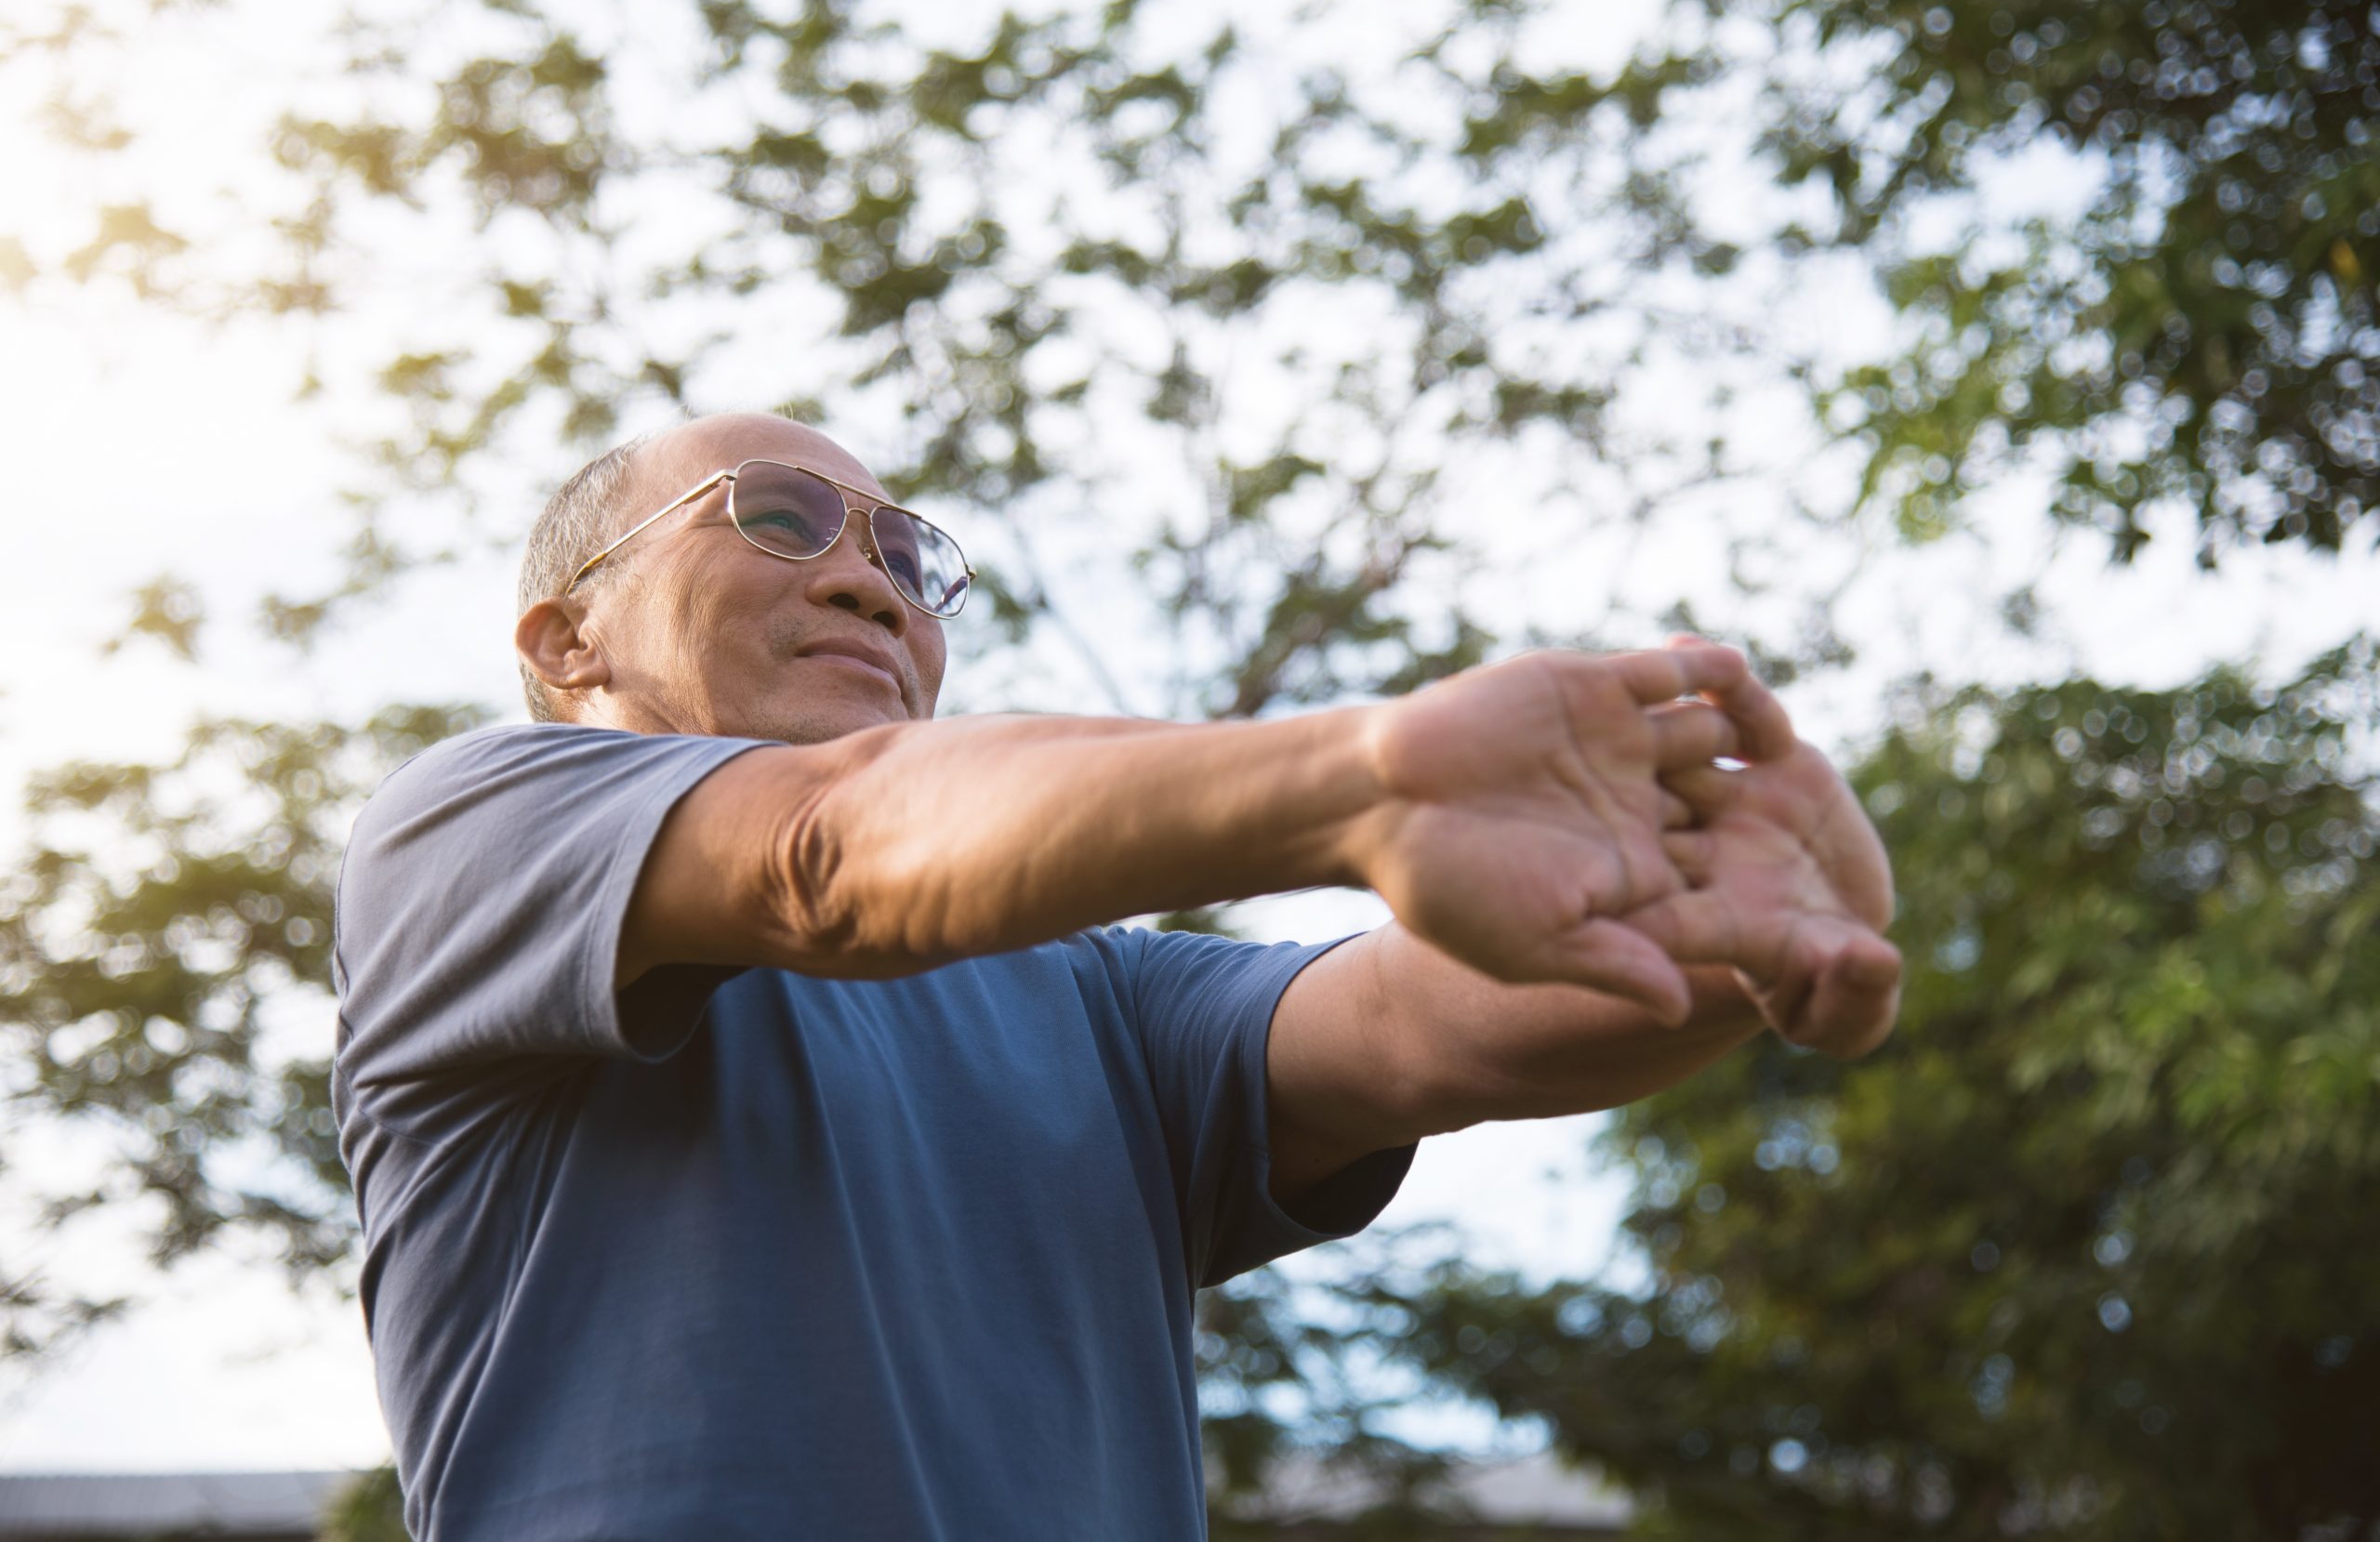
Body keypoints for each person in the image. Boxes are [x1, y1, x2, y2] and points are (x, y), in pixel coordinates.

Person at [332, 411, 1900, 1542]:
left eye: (906, 553)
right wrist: (1368, 781)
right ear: (568, 643)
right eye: (783, 518)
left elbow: (1429, 1022)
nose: (872, 580)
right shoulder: (468, 836)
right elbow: (831, 849)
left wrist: (1718, 934)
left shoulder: (1084, 992)